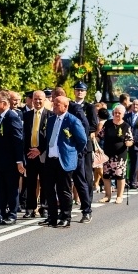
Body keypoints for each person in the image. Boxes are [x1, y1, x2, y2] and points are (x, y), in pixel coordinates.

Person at [39, 96, 87, 228]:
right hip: (51, 159)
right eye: (53, 103)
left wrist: (72, 152)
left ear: (65, 106)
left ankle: (66, 216)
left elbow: (82, 140)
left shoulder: (72, 120)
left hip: (64, 160)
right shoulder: (51, 120)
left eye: (57, 104)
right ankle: (52, 217)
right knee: (48, 188)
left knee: (64, 190)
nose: (54, 105)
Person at [0, 91, 25, 225]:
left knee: (12, 188)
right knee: (0, 188)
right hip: (1, 161)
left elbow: (18, 140)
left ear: (4, 104)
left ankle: (12, 214)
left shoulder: (11, 117)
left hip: (11, 161)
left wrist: (19, 161)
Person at [23, 90, 51, 219]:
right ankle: (30, 208)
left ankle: (44, 207)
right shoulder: (26, 115)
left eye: (40, 99)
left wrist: (40, 149)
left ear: (44, 100)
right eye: (35, 99)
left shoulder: (49, 116)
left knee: (45, 181)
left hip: (43, 153)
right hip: (30, 153)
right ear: (32, 100)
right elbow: (24, 135)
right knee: (30, 182)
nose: (38, 101)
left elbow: (50, 137)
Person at [72, 82, 98, 222]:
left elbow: (93, 124)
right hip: (71, 145)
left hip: (85, 145)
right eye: (77, 90)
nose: (79, 92)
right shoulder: (70, 105)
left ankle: (87, 204)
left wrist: (86, 133)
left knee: (86, 176)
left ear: (86, 92)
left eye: (82, 90)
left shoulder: (89, 107)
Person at [98, 104, 133, 204]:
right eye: (115, 113)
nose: (117, 114)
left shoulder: (125, 126)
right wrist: (94, 140)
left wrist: (128, 143)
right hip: (108, 153)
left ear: (123, 114)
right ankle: (107, 196)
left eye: (119, 113)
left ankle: (119, 196)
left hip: (120, 155)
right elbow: (100, 135)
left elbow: (130, 139)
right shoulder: (108, 123)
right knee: (106, 175)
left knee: (119, 175)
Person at [124, 99, 138, 189]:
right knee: (126, 163)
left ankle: (133, 181)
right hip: (126, 143)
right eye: (134, 104)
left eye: (137, 105)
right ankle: (125, 180)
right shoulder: (127, 116)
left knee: (135, 164)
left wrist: (133, 139)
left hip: (137, 145)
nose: (135, 106)